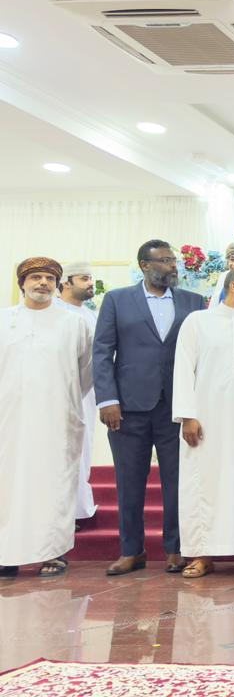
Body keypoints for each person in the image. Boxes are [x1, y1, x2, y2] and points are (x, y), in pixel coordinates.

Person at [94, 240, 207, 576]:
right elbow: (102, 351)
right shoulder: (117, 300)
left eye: (174, 260)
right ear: (145, 265)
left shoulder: (194, 301)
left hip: (176, 407)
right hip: (128, 407)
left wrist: (195, 406)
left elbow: (202, 355)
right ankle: (132, 551)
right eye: (166, 260)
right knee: (129, 481)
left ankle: (176, 549)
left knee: (177, 480)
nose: (173, 266)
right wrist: (108, 399)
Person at [171, 269, 234, 578]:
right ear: (233, 286)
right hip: (205, 420)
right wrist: (187, 415)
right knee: (202, 482)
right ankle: (201, 554)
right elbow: (183, 368)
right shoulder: (198, 322)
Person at [0, 258, 93, 578]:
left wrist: (63, 400)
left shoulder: (74, 323)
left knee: (53, 484)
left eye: (49, 278)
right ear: (22, 283)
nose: (42, 283)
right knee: (7, 485)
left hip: (57, 418)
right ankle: (6, 553)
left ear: (57, 284)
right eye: (35, 277)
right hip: (9, 419)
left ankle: (52, 552)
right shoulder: (4, 320)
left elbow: (85, 373)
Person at [56, 261, 98, 520]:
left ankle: (78, 510)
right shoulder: (53, 312)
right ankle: (60, 511)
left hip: (87, 393)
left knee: (82, 448)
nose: (90, 283)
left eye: (91, 278)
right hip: (57, 391)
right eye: (84, 278)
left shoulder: (91, 315)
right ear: (66, 283)